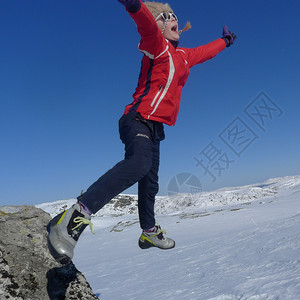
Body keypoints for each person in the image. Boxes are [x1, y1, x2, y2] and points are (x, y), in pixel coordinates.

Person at [47, 0, 236, 265]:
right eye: (167, 17)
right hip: (137, 119)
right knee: (138, 163)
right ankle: (74, 218)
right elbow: (146, 25)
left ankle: (148, 232)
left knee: (150, 182)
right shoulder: (156, 47)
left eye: (175, 17)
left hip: (155, 127)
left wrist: (225, 41)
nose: (174, 20)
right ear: (159, 25)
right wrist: (135, 7)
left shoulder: (182, 56)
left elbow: (205, 52)